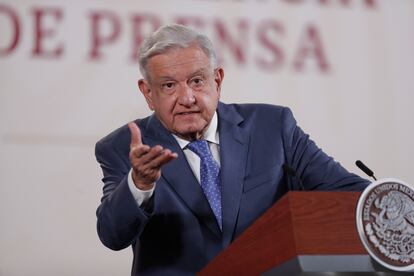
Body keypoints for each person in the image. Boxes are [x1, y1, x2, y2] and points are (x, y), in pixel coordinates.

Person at [95, 24, 369, 275]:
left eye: (197, 81)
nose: (187, 98)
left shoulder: (273, 128)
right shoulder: (123, 147)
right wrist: (140, 183)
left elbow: (349, 193)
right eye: (169, 85)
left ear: (218, 80)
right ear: (147, 93)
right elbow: (112, 235)